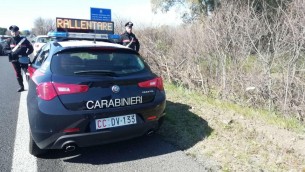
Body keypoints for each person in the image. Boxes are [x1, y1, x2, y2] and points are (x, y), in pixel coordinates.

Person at [3, 25, 33, 92]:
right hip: (14, 60)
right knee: (18, 73)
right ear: (11, 32)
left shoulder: (24, 40)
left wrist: (26, 54)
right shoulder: (9, 40)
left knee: (27, 73)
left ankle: (31, 87)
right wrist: (11, 52)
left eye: (15, 32)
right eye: (13, 32)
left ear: (18, 32)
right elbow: (4, 50)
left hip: (24, 59)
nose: (14, 33)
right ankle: (21, 87)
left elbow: (31, 49)